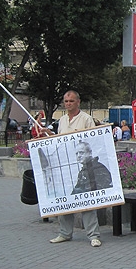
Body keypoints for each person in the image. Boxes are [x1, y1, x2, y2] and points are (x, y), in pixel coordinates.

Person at [49, 90, 102, 248]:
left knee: (87, 202)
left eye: (71, 101)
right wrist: (49, 135)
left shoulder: (86, 119)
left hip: (83, 167)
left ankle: (93, 235)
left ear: (78, 102)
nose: (68, 104)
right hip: (67, 166)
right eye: (66, 101)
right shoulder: (62, 120)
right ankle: (64, 233)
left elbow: (94, 140)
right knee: (65, 200)